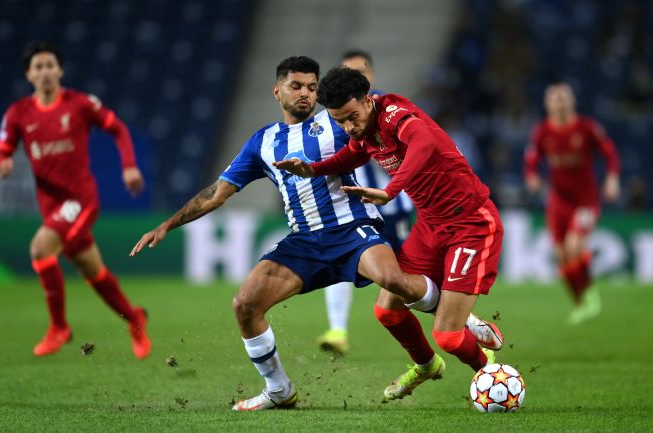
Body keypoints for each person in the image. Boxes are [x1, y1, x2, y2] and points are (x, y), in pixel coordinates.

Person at [130, 56, 443, 411]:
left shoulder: (337, 120)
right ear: (277, 91)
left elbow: (381, 126)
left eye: (311, 87)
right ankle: (279, 390)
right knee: (245, 304)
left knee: (394, 280)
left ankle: (461, 323)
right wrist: (167, 224)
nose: (305, 93)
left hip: (352, 227)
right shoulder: (263, 142)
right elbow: (217, 193)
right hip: (305, 241)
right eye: (296, 86)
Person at [274, 66, 505, 401]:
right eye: (340, 121)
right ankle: (426, 365)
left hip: (470, 223)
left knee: (448, 337)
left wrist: (391, 190)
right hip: (430, 225)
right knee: (387, 311)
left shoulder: (395, 116)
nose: (349, 127)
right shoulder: (364, 132)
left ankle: (491, 376)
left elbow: (423, 142)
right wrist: (313, 170)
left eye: (352, 117)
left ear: (368, 100)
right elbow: (350, 155)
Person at [0, 42, 151, 359]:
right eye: (38, 67)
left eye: (50, 65)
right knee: (93, 271)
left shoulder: (79, 104)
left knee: (40, 248)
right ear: (28, 75)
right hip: (50, 205)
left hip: (80, 199)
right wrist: (3, 162)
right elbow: (2, 152)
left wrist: (129, 165)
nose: (45, 72)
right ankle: (134, 318)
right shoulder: (18, 113)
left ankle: (59, 327)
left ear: (61, 70)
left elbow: (118, 129)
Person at [317, 50, 414, 356]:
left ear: (369, 75)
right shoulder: (336, 116)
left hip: (392, 205)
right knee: (340, 261)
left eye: (358, 71)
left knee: (405, 277)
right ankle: (337, 330)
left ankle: (459, 319)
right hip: (357, 206)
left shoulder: (385, 110)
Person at [524, 82, 620, 324]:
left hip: (585, 200)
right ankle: (580, 302)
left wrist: (612, 178)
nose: (560, 103)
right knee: (561, 255)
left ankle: (590, 294)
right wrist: (532, 176)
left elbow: (609, 153)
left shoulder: (587, 128)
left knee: (574, 246)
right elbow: (532, 158)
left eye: (564, 98)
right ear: (547, 104)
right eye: (555, 99)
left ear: (572, 101)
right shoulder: (542, 131)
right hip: (558, 201)